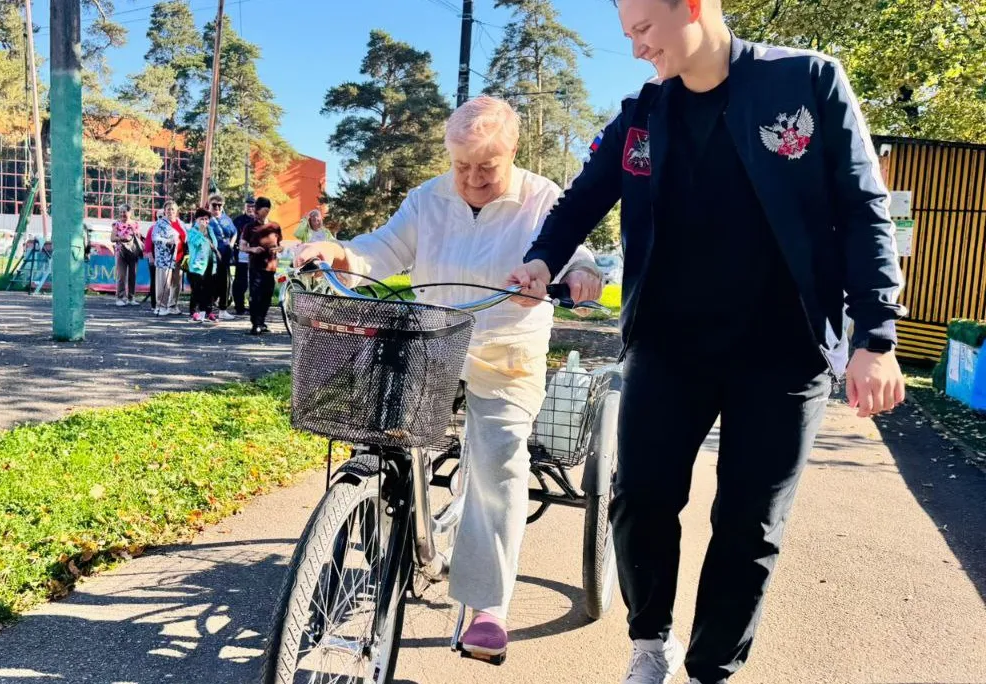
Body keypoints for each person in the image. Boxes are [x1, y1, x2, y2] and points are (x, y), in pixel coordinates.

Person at [507, 1, 907, 682]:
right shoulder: (642, 113)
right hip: (669, 345)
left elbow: (862, 206)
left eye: (642, 30)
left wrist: (876, 334)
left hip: (784, 352)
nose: (634, 48)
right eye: (626, 33)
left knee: (750, 525)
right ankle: (651, 641)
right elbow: (582, 198)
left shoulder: (807, 81)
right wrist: (544, 257)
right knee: (640, 497)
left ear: (692, 7)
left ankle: (710, 670)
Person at [297, 96, 602, 659]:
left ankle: (488, 605)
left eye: (486, 166)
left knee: (497, 458)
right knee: (383, 431)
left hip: (504, 347)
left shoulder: (542, 198)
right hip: (432, 341)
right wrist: (340, 253)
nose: (471, 179)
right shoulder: (430, 197)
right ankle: (386, 528)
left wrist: (582, 274)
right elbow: (383, 250)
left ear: (513, 150)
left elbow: (577, 253)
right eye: (461, 165)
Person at [239, 197, 282, 335]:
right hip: (256, 266)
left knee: (267, 295)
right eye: (259, 209)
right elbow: (242, 245)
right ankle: (255, 324)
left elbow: (281, 245)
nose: (256, 211)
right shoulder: (249, 227)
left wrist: (279, 249)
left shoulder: (275, 227)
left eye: (264, 209)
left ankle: (262, 321)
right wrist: (252, 249)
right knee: (255, 295)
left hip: (270, 266)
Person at [185, 208, 222, 323]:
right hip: (197, 265)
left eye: (206, 219)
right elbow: (197, 244)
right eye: (202, 219)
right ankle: (194, 312)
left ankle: (208, 311)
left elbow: (214, 244)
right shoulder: (192, 232)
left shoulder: (210, 230)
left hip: (211, 263)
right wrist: (201, 232)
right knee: (197, 289)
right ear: (196, 219)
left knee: (210, 289)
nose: (204, 221)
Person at [206, 193, 238, 320]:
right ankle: (207, 309)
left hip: (225, 255)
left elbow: (234, 232)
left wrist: (231, 244)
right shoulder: (205, 218)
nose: (217, 208)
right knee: (210, 282)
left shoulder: (226, 219)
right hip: (210, 255)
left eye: (220, 205)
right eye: (214, 205)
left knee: (225, 282)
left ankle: (223, 309)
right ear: (209, 205)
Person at [150, 201, 184, 316]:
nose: (170, 211)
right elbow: (154, 238)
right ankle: (161, 306)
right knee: (164, 283)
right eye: (168, 209)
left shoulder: (180, 223)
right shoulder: (160, 223)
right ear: (165, 211)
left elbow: (186, 237)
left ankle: (172, 306)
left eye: (173, 209)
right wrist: (167, 242)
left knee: (176, 284)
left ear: (176, 211)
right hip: (165, 259)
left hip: (179, 257)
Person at [110, 205, 142, 306]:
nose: (122, 214)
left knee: (133, 275)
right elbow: (112, 238)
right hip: (121, 252)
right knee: (121, 276)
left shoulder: (135, 224)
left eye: (124, 212)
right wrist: (123, 238)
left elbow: (139, 237)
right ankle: (120, 298)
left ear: (130, 212)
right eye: (121, 212)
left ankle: (131, 298)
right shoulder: (116, 224)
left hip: (133, 252)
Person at [231, 197, 257, 315]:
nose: (250, 209)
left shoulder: (260, 221)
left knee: (254, 283)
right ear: (245, 207)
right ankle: (239, 307)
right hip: (241, 256)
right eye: (248, 206)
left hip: (256, 257)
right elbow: (232, 236)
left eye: (252, 206)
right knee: (240, 283)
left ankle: (254, 306)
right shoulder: (238, 220)